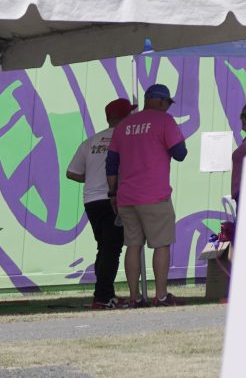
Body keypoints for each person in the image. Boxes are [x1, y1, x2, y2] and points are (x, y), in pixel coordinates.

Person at [109, 82, 189, 306]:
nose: (168, 107)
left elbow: (111, 163)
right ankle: (160, 295)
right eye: (167, 103)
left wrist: (113, 193)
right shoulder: (165, 121)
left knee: (133, 245)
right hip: (154, 195)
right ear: (161, 101)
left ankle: (134, 297)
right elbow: (180, 153)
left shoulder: (124, 125)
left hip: (126, 197)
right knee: (161, 244)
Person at [62, 97, 134, 310]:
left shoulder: (91, 141)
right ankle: (102, 296)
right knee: (112, 249)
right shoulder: (126, 139)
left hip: (91, 200)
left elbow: (71, 172)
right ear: (123, 117)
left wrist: (93, 177)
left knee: (103, 248)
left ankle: (105, 294)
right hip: (114, 199)